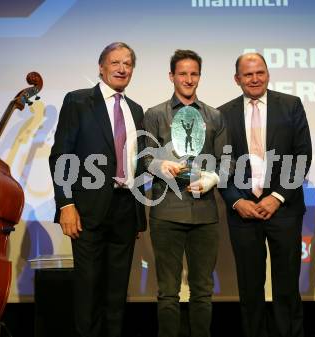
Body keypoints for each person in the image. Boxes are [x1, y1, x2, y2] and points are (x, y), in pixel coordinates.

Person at [49, 42, 146, 337]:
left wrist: (138, 210)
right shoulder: (78, 101)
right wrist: (66, 204)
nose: (122, 68)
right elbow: (61, 155)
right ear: (101, 68)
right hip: (87, 211)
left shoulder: (135, 110)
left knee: (117, 293)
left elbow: (136, 164)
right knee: (88, 290)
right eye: (115, 62)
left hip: (125, 208)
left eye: (127, 64)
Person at [218, 53, 312, 337]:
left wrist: (278, 196)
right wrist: (235, 200)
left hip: (284, 210)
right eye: (248, 74)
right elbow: (220, 163)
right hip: (243, 212)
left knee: (286, 287)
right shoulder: (223, 113)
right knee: (249, 289)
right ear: (237, 79)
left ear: (268, 74)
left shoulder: (291, 105)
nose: (255, 78)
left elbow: (302, 156)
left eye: (260, 72)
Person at [143, 49, 228, 337]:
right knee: (168, 292)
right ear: (171, 76)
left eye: (194, 74)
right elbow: (144, 159)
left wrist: (212, 178)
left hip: (204, 214)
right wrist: (159, 164)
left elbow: (226, 161)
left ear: (199, 77)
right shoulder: (154, 115)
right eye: (182, 73)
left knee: (203, 291)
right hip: (166, 212)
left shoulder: (215, 116)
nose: (188, 79)